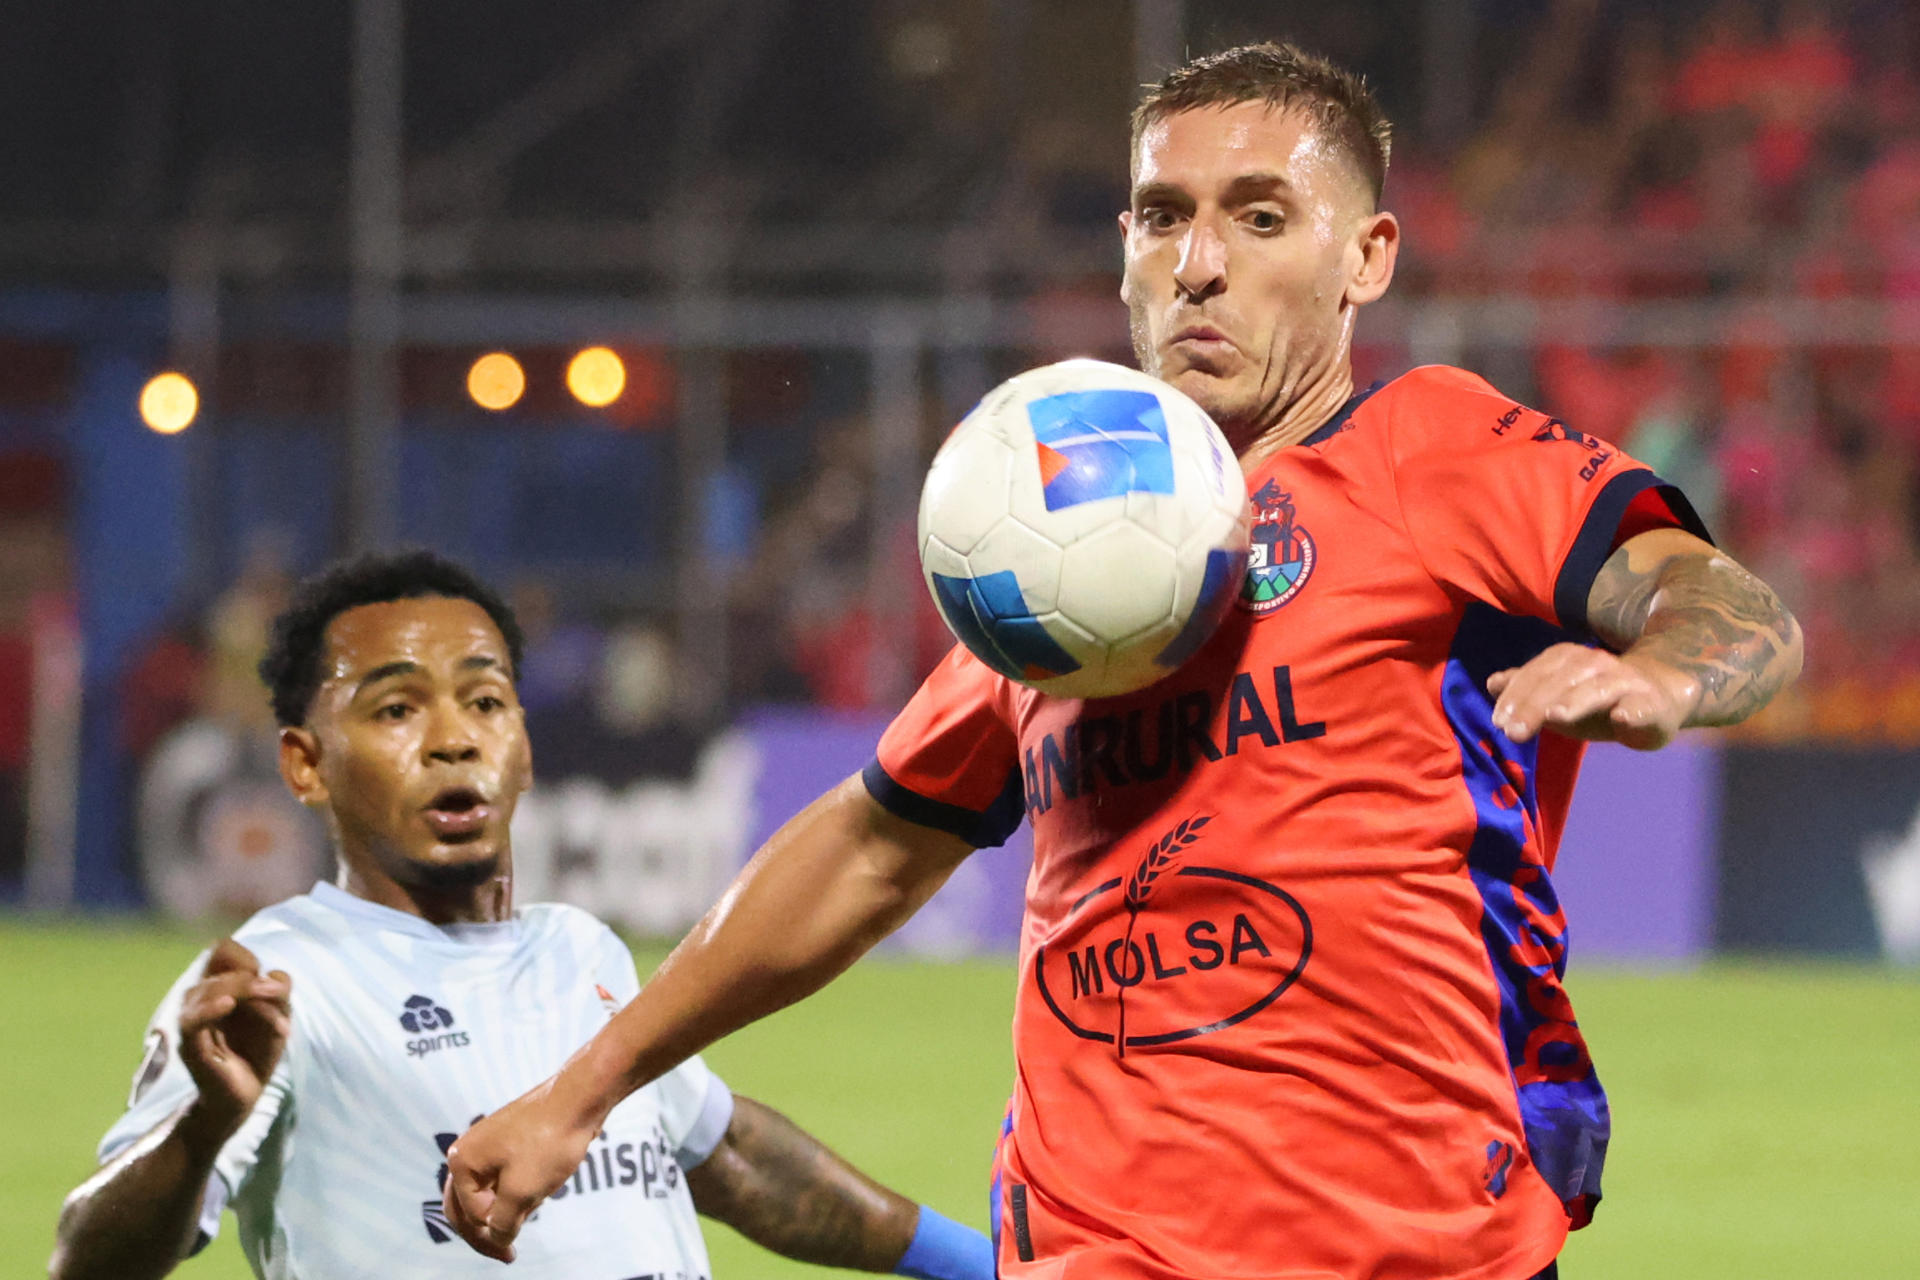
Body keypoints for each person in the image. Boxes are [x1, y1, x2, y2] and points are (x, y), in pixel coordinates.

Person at [442, 43, 1805, 1280]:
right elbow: (870, 845)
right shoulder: (1062, 538)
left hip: (1419, 1246)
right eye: (1165, 217)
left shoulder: (1436, 452)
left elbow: (1717, 602)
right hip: (1090, 1247)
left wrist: (1666, 673)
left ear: (1367, 256)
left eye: (1259, 216)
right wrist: (583, 1089)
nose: (1198, 264)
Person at [49, 550, 993, 1280]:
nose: (454, 739)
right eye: (394, 712)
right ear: (304, 763)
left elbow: (727, 1153)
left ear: (525, 743)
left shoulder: (580, 950)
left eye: (487, 700)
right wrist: (202, 1129)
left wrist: (977, 1263)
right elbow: (86, 1260)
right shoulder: (284, 980)